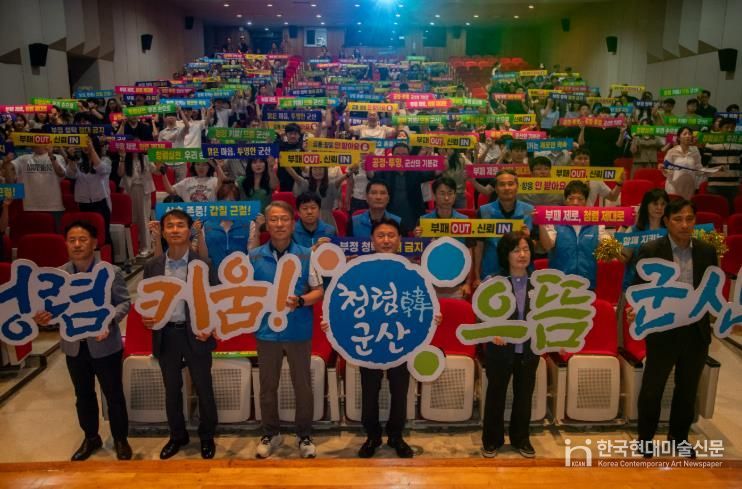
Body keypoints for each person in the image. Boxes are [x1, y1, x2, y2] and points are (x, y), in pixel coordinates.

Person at [627, 199, 718, 458]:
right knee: (653, 388)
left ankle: (679, 439)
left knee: (687, 389)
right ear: (666, 221)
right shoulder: (651, 250)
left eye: (689, 219)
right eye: (678, 219)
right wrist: (637, 308)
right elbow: (638, 287)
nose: (684, 225)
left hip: (696, 330)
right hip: (663, 328)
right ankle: (645, 440)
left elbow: (712, 286)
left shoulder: (706, 251)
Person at [33, 220, 132, 461]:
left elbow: (124, 302)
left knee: (114, 394)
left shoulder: (110, 272)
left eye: (83, 239)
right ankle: (91, 437)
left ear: (95, 242)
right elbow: (51, 311)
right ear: (66, 244)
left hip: (105, 344)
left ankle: (120, 439)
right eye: (72, 240)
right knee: (83, 395)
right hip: (75, 347)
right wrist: (44, 318)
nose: (77, 245)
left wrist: (109, 321)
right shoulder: (58, 276)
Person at [142, 209, 219, 460]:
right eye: (170, 226)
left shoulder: (204, 264)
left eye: (180, 225)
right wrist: (147, 317)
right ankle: (177, 435)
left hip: (197, 333)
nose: (175, 230)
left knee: (204, 386)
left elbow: (216, 301)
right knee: (172, 389)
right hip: (167, 334)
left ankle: (207, 435)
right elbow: (147, 301)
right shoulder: (152, 266)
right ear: (163, 232)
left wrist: (211, 326)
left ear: (189, 230)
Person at [249, 201, 324, 459]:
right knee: (267, 386)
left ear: (293, 224)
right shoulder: (254, 256)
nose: (279, 224)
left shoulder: (307, 255)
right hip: (266, 331)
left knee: (302, 385)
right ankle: (271, 433)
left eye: (284, 219)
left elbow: (318, 291)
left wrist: (301, 301)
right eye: (274, 219)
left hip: (298, 330)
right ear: (267, 225)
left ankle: (304, 435)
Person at [481, 231, 540, 459]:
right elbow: (481, 315)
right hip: (500, 350)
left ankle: (521, 438)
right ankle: (492, 440)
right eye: (516, 250)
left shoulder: (540, 284)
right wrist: (492, 331)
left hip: (529, 350)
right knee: (495, 395)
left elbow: (547, 317)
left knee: (524, 396)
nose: (522, 255)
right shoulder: (493, 282)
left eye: (526, 249)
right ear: (506, 254)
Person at [539, 180, 609, 290]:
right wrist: (540, 224)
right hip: (559, 284)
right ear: (565, 200)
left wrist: (612, 240)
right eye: (571, 198)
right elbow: (548, 246)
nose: (575, 203)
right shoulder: (554, 220)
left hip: (588, 283)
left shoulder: (596, 222)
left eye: (580, 199)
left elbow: (607, 245)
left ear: (586, 201)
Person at [471, 170, 533, 287]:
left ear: (517, 186)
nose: (507, 188)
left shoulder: (529, 211)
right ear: (495, 188)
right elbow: (479, 246)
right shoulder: (484, 211)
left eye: (510, 184)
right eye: (502, 184)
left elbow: (538, 246)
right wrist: (477, 275)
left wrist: (528, 238)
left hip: (521, 272)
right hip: (491, 271)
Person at [374, 142, 434, 235]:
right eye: (397, 154)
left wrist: (444, 160)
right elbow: (372, 176)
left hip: (413, 218)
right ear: (391, 156)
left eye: (404, 154)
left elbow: (435, 172)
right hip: (389, 219)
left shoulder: (416, 170)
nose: (401, 157)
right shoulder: (385, 171)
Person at [64, 136, 113, 246]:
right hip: (83, 204)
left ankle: (108, 256)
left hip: (100, 203)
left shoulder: (105, 160)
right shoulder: (79, 161)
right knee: (87, 235)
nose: (86, 146)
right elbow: (70, 174)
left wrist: (92, 151)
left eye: (88, 143)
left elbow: (102, 169)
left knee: (104, 235)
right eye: (84, 144)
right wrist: (71, 158)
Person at [11, 129, 66, 221]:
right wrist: (8, 148)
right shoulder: (23, 159)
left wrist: (51, 156)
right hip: (29, 207)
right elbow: (10, 170)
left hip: (54, 207)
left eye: (37, 140)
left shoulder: (58, 157)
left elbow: (61, 173)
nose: (34, 143)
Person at [620, 189, 669, 290]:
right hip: (634, 285)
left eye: (663, 204)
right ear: (646, 205)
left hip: (663, 286)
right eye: (655, 204)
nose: (659, 207)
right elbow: (624, 258)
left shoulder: (671, 231)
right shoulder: (634, 230)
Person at [118, 147, 155, 256]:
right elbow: (120, 173)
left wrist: (158, 160)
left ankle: (146, 246)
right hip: (130, 190)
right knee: (133, 219)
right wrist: (122, 157)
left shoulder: (146, 158)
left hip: (143, 191)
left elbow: (156, 171)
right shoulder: (125, 159)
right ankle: (134, 246)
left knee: (143, 218)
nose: (135, 148)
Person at [700, 117, 742, 211]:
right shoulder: (711, 143)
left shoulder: (739, 145)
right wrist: (703, 148)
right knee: (714, 211)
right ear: (720, 128)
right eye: (727, 127)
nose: (730, 130)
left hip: (733, 185)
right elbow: (704, 162)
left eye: (732, 127)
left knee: (731, 211)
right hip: (715, 184)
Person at [662, 127, 702, 200]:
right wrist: (665, 170)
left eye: (689, 134)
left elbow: (698, 169)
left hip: (689, 186)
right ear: (678, 138)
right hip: (674, 186)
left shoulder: (695, 151)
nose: (688, 136)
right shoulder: (672, 151)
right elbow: (667, 169)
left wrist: (710, 170)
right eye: (685, 134)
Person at [161, 159, 226, 202]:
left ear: (209, 167)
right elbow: (170, 190)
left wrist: (216, 166)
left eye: (204, 165)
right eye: (197, 164)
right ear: (193, 166)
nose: (201, 167)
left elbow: (224, 181)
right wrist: (163, 173)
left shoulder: (214, 181)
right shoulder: (186, 181)